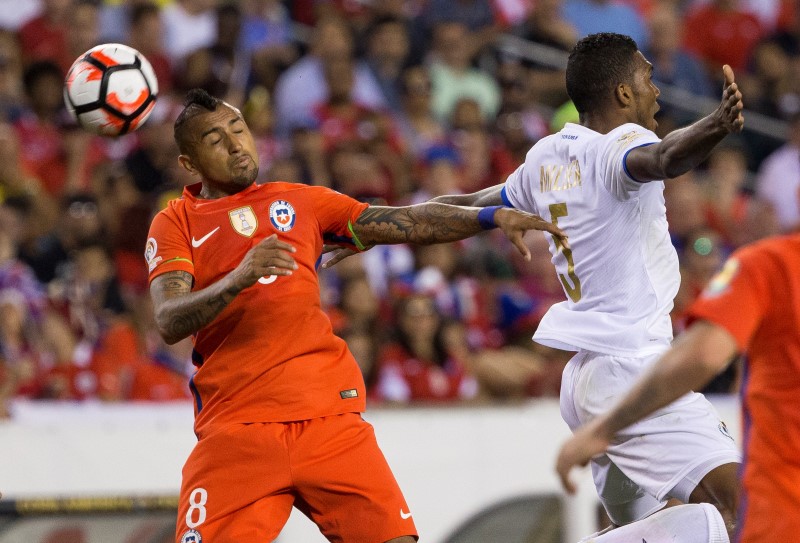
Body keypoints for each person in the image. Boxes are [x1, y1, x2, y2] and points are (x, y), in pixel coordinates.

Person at [145, 88, 566, 543]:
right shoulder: (176, 223)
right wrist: (239, 277)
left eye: (239, 129)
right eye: (214, 139)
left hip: (329, 418)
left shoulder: (301, 202)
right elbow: (169, 319)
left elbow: (411, 219)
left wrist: (490, 215)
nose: (235, 145)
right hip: (238, 430)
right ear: (188, 163)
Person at [394, 32, 745, 542]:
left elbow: (465, 205)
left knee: (663, 522)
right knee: (748, 511)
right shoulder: (619, 145)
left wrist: (370, 226)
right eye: (647, 78)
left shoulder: (546, 158)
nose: (657, 92)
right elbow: (664, 157)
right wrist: (716, 125)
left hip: (586, 381)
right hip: (635, 370)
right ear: (623, 93)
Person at [555, 230, 800, 542]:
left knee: (667, 515)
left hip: (608, 370)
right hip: (625, 367)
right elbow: (702, 355)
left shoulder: (768, 264)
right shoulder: (770, 265)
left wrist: (606, 427)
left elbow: (704, 353)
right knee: (732, 509)